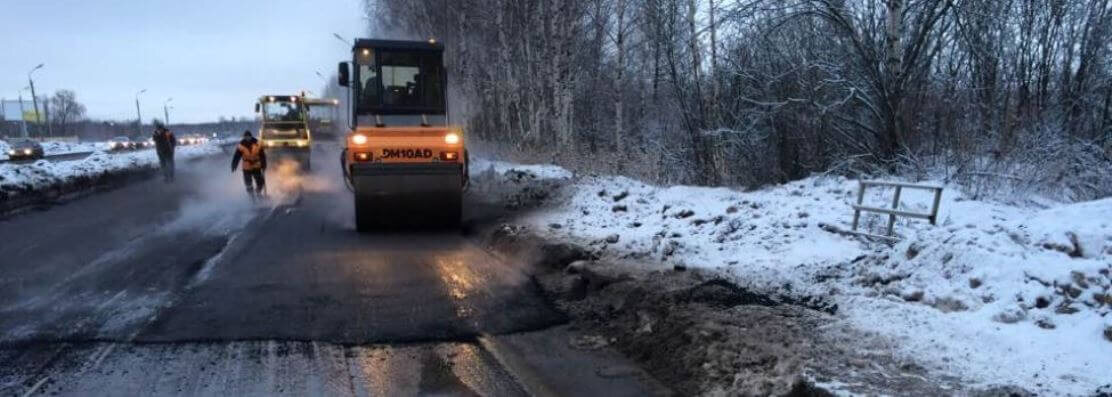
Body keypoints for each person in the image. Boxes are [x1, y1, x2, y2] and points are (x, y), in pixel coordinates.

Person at [231, 130, 267, 199]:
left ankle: (258, 192)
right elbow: (237, 156)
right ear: (244, 137)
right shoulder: (241, 145)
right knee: (248, 183)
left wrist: (264, 164)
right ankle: (251, 196)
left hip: (256, 166)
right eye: (246, 137)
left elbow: (262, 155)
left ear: (251, 136)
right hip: (246, 167)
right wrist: (234, 164)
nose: (247, 138)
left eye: (248, 136)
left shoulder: (257, 143)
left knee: (260, 181)